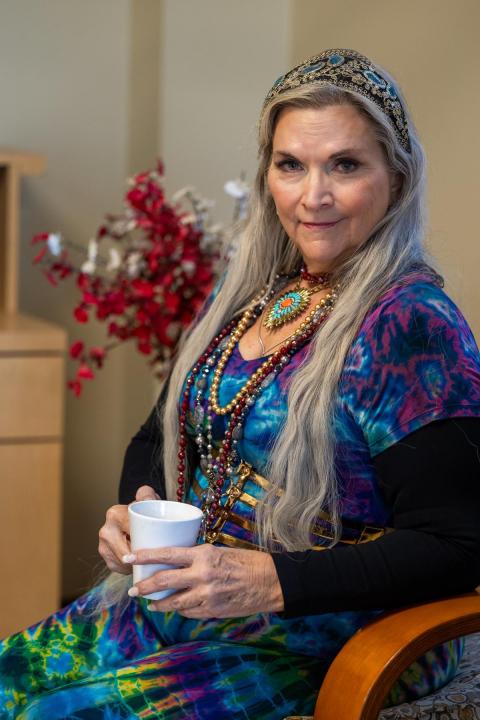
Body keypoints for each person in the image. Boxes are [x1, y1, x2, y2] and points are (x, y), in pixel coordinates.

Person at [1, 48, 480, 720]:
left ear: (396, 179)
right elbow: (157, 436)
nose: (313, 196)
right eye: (291, 165)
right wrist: (134, 512)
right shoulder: (254, 292)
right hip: (199, 600)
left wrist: (271, 580)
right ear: (267, 175)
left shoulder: (412, 324)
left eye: (345, 165)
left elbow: (458, 545)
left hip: (329, 635)